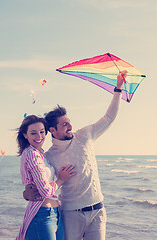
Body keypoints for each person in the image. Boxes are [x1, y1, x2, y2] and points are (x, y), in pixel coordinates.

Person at [24, 71, 126, 240]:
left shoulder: (84, 135)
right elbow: (41, 182)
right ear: (52, 130)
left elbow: (109, 117)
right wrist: (26, 192)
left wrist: (118, 89)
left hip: (97, 211)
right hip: (70, 214)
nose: (70, 125)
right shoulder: (49, 156)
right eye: (64, 124)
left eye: (69, 121)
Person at [16, 115, 75, 240]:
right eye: (33, 133)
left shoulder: (42, 154)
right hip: (42, 215)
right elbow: (45, 191)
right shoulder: (31, 154)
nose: (39, 137)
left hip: (55, 212)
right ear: (25, 135)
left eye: (42, 132)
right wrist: (61, 179)